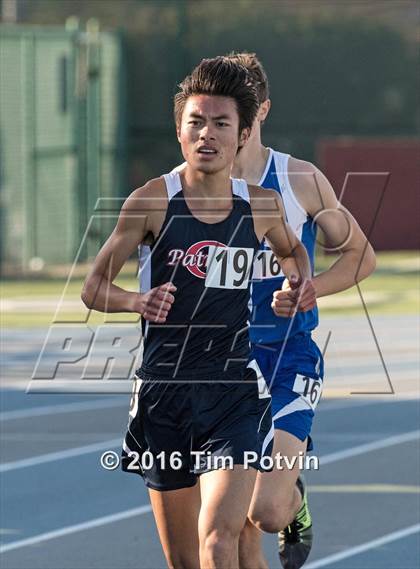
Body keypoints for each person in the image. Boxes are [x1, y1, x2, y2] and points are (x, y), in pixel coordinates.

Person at [82, 57, 315, 569]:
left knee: (219, 539)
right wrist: (134, 301)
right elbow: (93, 287)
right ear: (179, 129)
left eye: (221, 123)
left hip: (233, 390)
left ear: (244, 133)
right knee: (187, 561)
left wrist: (296, 286)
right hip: (164, 394)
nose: (206, 134)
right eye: (196, 121)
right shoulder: (150, 202)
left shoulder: (262, 205)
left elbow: (294, 254)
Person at [155, 53, 376, 569]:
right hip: (215, 369)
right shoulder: (184, 186)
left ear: (258, 112)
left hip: (284, 359)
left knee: (268, 511)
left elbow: (360, 256)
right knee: (232, 536)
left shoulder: (298, 179)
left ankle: (294, 498)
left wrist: (310, 288)